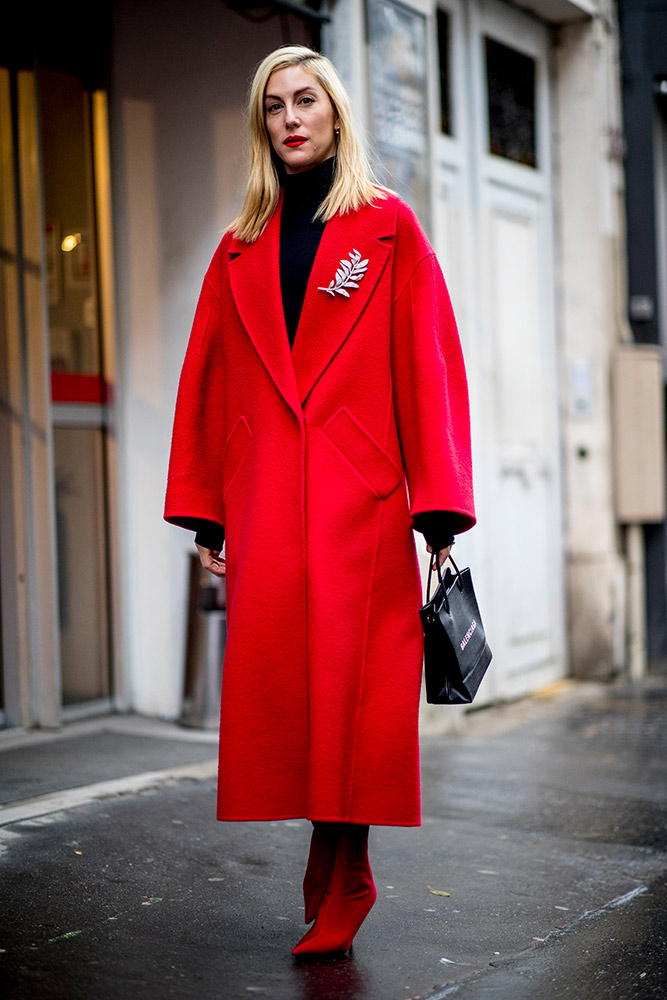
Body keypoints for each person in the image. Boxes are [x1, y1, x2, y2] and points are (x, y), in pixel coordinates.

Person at [164, 43, 475, 956]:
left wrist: (439, 509)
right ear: (262, 126)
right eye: (273, 106)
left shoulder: (387, 228)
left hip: (362, 505)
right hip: (267, 505)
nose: (291, 118)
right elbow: (207, 384)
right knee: (290, 699)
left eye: (306, 101)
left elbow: (429, 364)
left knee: (355, 699)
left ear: (336, 113)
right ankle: (324, 847)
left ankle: (349, 872)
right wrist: (206, 509)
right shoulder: (239, 247)